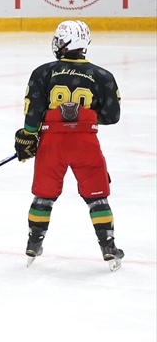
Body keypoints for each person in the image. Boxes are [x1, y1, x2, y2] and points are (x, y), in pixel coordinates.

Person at [14, 20, 124, 269]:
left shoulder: (44, 72)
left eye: (60, 39)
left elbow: (34, 111)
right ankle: (108, 246)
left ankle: (34, 243)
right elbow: (112, 116)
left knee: (44, 196)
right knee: (97, 197)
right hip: (86, 144)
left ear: (68, 43)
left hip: (52, 143)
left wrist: (28, 136)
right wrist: (82, 121)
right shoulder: (103, 76)